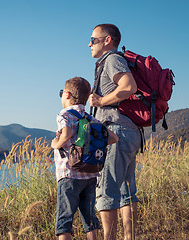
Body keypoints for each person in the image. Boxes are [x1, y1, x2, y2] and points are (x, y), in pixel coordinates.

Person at [88, 24, 142, 240]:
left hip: (115, 132)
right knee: (127, 193)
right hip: (129, 132)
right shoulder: (113, 60)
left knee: (106, 191)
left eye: (93, 39)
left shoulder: (112, 59)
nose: (89, 43)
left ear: (107, 40)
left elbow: (129, 86)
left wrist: (101, 100)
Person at [51, 77, 118, 240]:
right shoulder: (90, 118)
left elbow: (66, 134)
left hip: (69, 175)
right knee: (90, 219)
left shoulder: (64, 114)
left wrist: (55, 144)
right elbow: (113, 138)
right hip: (90, 174)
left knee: (64, 221)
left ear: (66, 95)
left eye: (62, 93)